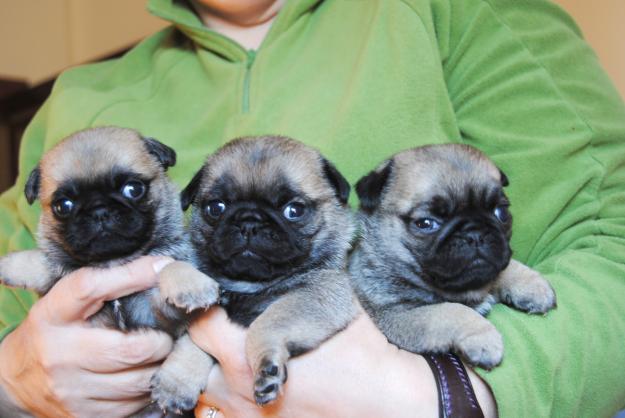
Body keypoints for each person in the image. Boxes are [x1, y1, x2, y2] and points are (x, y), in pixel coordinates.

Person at [1, 0, 624, 416]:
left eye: (294, 209)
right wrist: (13, 377)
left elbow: (612, 234)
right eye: (214, 209)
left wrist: (448, 396)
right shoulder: (76, 97)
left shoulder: (462, 11)